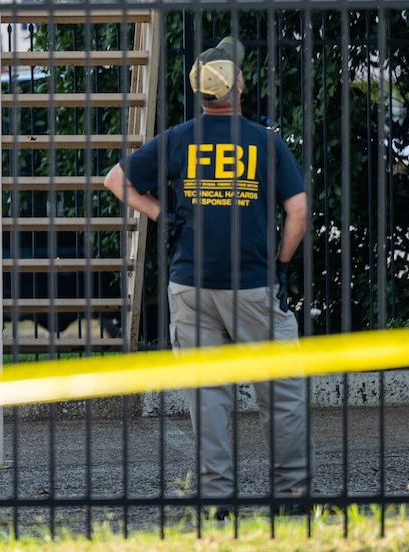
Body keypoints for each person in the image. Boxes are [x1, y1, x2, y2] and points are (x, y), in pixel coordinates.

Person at [102, 37, 312, 515]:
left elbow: (116, 180)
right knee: (281, 394)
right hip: (253, 285)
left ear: (200, 92)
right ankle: (293, 499)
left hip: (190, 286)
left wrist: (161, 214)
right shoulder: (265, 141)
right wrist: (280, 266)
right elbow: (297, 211)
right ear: (239, 85)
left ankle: (217, 501)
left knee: (208, 397)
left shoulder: (180, 138)